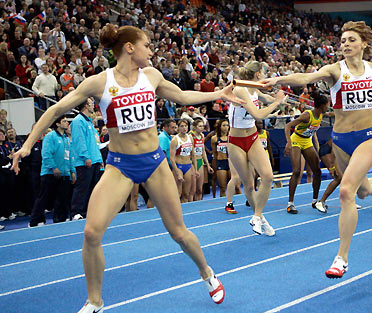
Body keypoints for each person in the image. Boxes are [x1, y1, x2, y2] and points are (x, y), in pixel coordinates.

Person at [12, 24, 244, 312]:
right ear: (130, 48)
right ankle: (95, 301)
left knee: (178, 232)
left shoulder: (152, 76)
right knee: (91, 233)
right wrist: (27, 144)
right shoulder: (99, 82)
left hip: (154, 164)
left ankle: (207, 274)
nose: (151, 50)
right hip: (120, 166)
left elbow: (183, 97)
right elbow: (55, 110)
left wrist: (219, 93)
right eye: (147, 45)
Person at [261, 21, 372, 278]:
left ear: (363, 44)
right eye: (342, 40)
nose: (345, 44)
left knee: (346, 192)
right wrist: (278, 79)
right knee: (364, 190)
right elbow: (306, 77)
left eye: (351, 40)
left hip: (368, 138)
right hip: (341, 140)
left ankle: (341, 258)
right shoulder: (335, 69)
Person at [229, 61, 286, 236]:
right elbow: (258, 115)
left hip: (252, 138)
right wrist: (277, 103)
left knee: (268, 176)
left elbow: (266, 98)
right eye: (264, 71)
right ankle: (260, 218)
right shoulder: (240, 89)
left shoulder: (255, 89)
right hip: (236, 141)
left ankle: (257, 216)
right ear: (259, 74)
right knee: (248, 184)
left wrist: (280, 99)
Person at [284, 92, 329, 214]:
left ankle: (315, 201)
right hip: (296, 141)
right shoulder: (306, 116)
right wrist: (288, 142)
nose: (328, 107)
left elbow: (332, 113)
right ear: (321, 106)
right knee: (297, 171)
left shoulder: (321, 114)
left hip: (307, 141)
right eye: (327, 105)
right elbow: (288, 126)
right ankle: (290, 204)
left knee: (317, 171)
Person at [29, 116, 75, 227]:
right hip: (49, 173)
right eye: (64, 121)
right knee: (43, 198)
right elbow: (46, 154)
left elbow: (69, 156)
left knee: (62, 198)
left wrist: (72, 171)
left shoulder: (66, 139)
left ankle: (60, 220)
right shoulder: (50, 137)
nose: (67, 123)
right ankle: (34, 221)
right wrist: (53, 167)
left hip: (64, 173)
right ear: (58, 124)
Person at [70, 98, 103, 221]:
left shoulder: (89, 122)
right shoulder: (78, 121)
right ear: (85, 106)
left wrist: (99, 158)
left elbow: (94, 143)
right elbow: (79, 141)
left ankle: (87, 211)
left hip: (94, 159)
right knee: (82, 187)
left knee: (92, 188)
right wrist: (85, 157)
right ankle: (76, 212)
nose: (93, 106)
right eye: (91, 104)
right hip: (84, 161)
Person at [170, 119, 196, 203]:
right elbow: (172, 158)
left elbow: (193, 154)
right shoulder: (175, 140)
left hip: (188, 166)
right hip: (179, 166)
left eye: (185, 126)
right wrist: (176, 171)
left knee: (186, 194)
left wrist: (195, 169)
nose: (184, 128)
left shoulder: (190, 138)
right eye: (182, 126)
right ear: (178, 128)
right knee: (178, 193)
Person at [190, 118, 214, 201]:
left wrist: (208, 165)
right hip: (192, 163)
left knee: (200, 190)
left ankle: (198, 204)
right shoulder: (190, 136)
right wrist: (195, 167)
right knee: (192, 190)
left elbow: (203, 151)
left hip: (200, 161)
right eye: (200, 126)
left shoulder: (202, 136)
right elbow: (192, 153)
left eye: (203, 126)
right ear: (194, 127)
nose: (202, 128)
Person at [211, 119, 230, 198]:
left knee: (236, 186)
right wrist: (214, 165)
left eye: (227, 125)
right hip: (220, 162)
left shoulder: (231, 137)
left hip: (231, 162)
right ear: (220, 127)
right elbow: (214, 153)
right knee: (222, 187)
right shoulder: (215, 138)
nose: (226, 127)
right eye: (224, 125)